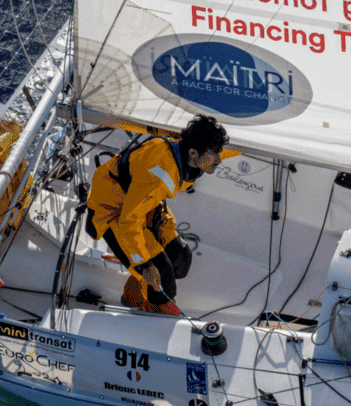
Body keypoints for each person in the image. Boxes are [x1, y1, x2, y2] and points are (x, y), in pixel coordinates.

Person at [86, 114, 238, 314]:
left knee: (181, 261)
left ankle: (132, 295)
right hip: (113, 211)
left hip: (140, 206)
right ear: (193, 153)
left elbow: (221, 152)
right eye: (214, 154)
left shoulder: (193, 153)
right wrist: (144, 265)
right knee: (162, 281)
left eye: (218, 152)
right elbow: (128, 222)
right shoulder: (159, 173)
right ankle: (152, 314)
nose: (219, 160)